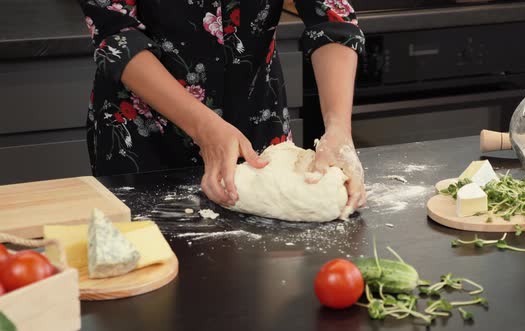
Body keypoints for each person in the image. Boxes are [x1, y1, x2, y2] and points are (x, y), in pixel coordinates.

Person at [80, 0, 367, 213]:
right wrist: (204, 127)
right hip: (144, 136)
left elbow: (331, 19)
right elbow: (116, 33)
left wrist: (338, 130)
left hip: (259, 132)